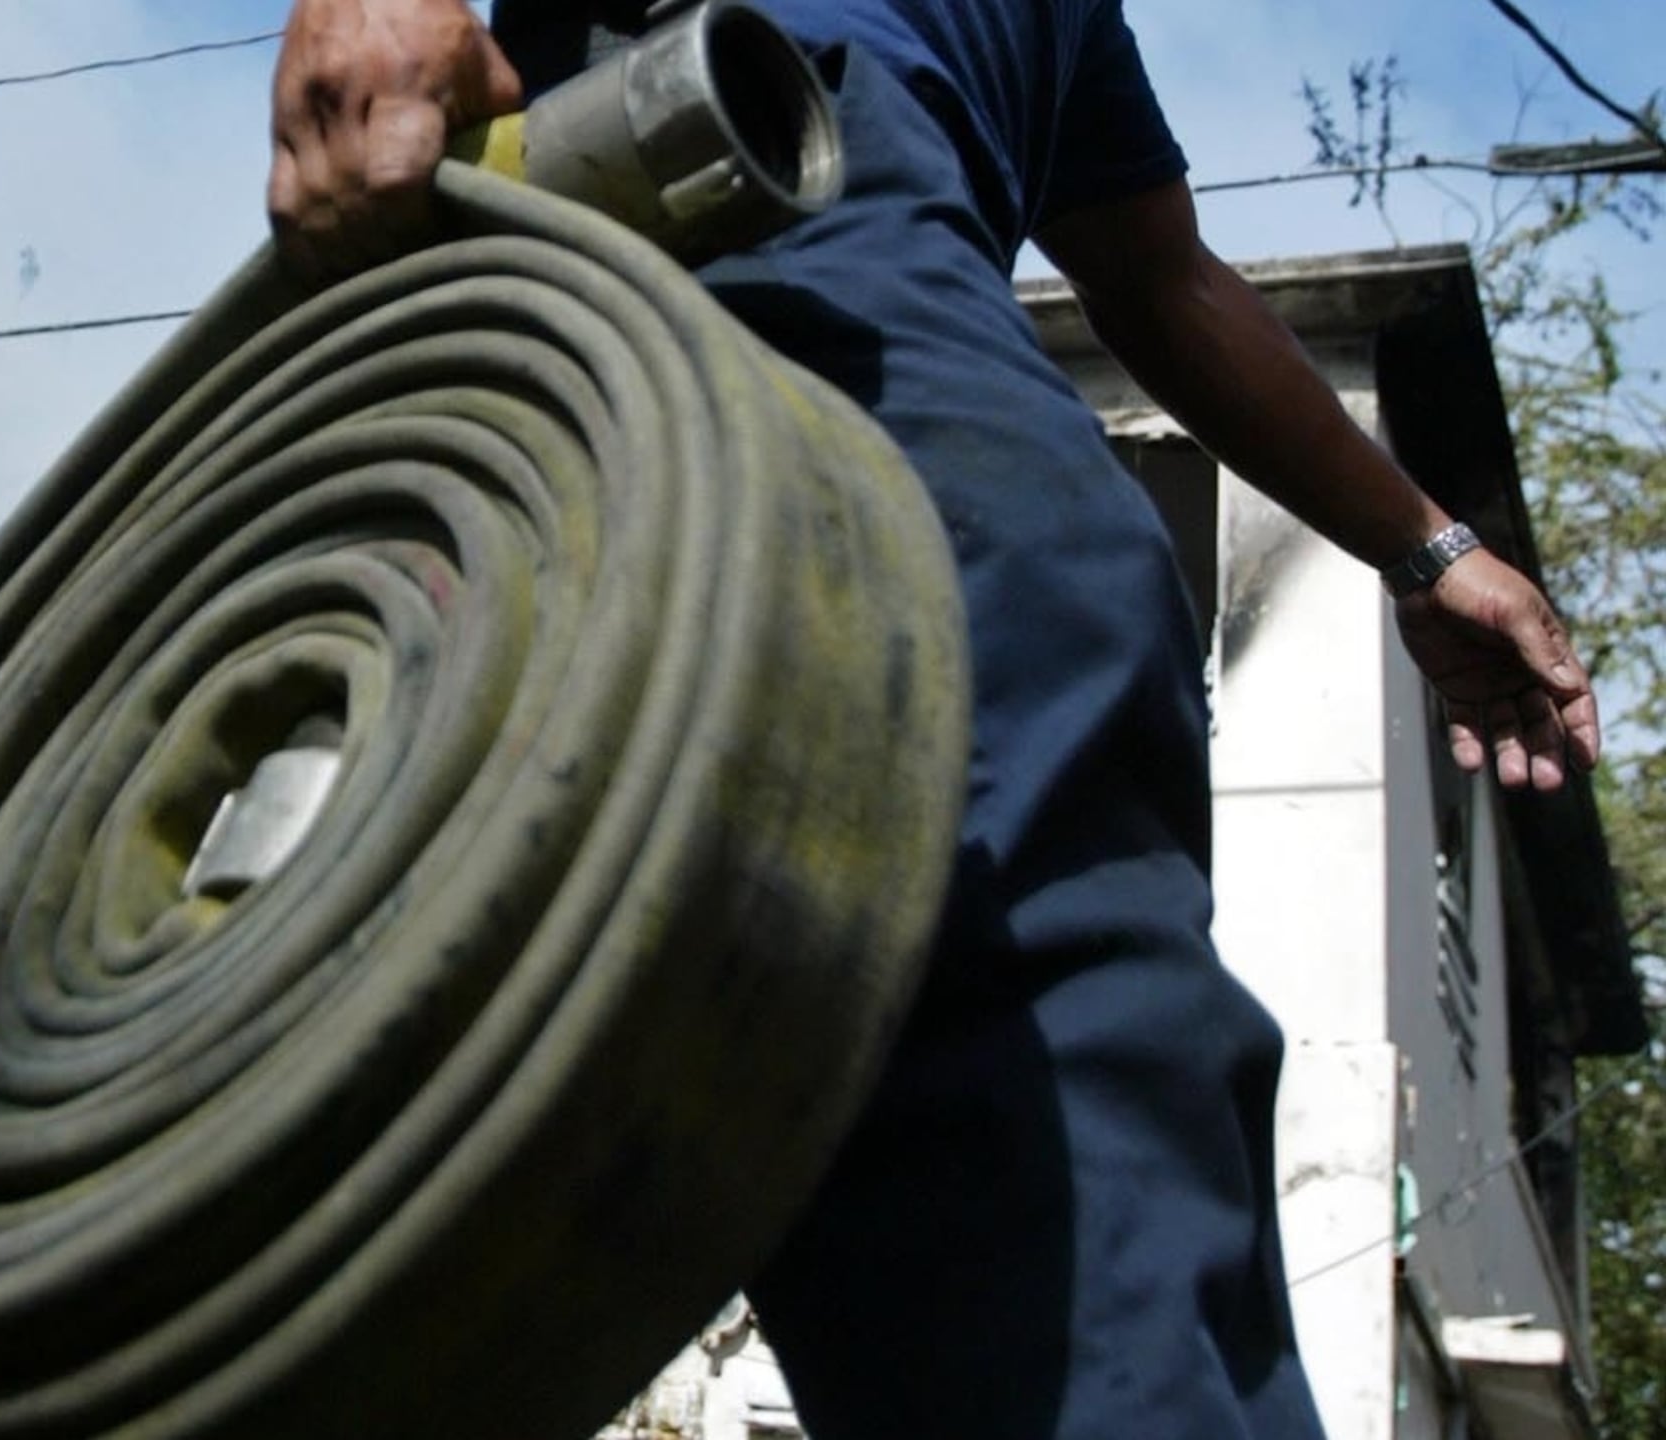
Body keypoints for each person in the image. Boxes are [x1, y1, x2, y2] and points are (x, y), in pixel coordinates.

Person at [265, 1, 1604, 1437]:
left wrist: (1427, 549)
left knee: (1083, 1287)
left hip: (833, 416)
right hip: (725, 328)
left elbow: (1158, 273)